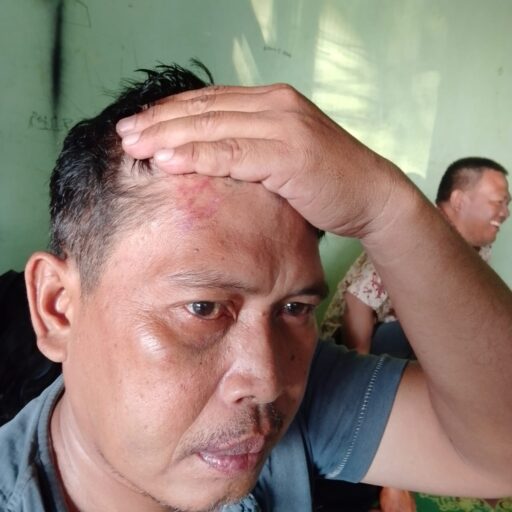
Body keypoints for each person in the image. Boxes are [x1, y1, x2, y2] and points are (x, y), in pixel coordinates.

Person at [1, 63, 512, 512]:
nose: (268, 381)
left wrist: (387, 209)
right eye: (203, 307)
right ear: (57, 307)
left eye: (295, 307)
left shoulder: (299, 390)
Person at [321, 157, 510, 356]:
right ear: (459, 201)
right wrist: (362, 368)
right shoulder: (416, 231)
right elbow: (357, 303)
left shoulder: (480, 249)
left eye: (508, 203)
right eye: (498, 202)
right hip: (354, 342)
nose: (505, 213)